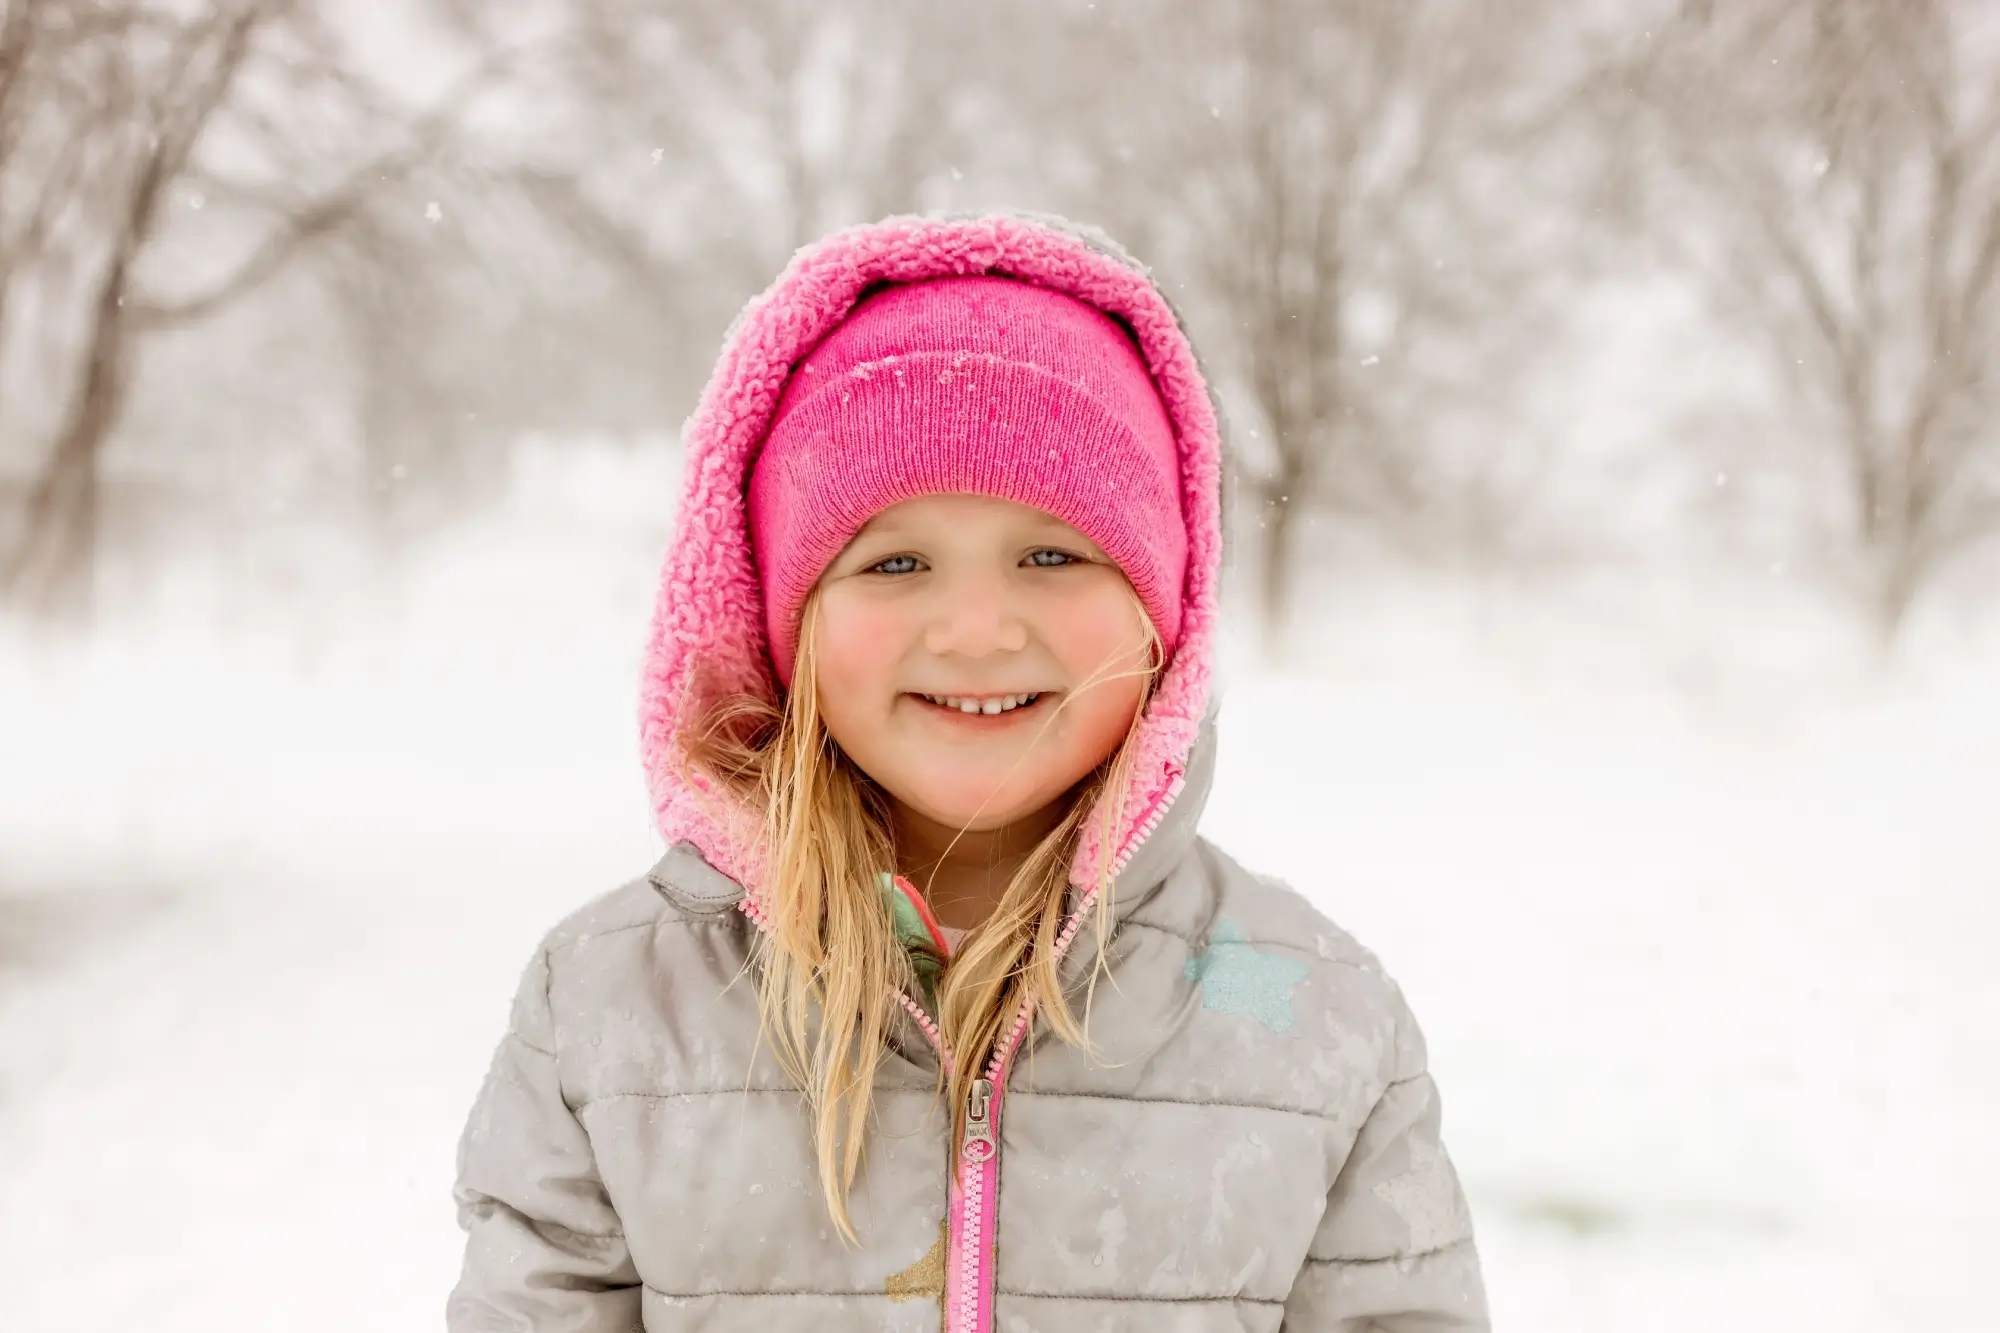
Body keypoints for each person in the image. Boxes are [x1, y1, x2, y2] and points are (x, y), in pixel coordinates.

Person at [446, 210, 1489, 1332]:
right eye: (894, 561)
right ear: (784, 626)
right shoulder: (614, 1011)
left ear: (1163, 617)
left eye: (1051, 554)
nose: (977, 629)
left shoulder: (1319, 1021)